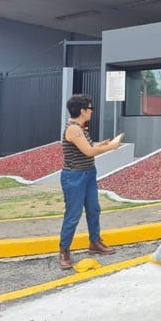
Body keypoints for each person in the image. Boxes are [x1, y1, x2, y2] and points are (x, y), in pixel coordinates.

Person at [59, 94, 122, 270]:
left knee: (94, 208)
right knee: (73, 215)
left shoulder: (80, 128)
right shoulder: (73, 129)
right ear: (82, 110)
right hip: (74, 177)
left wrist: (101, 144)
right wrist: (112, 147)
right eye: (90, 108)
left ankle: (94, 242)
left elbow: (87, 146)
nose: (92, 111)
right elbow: (88, 151)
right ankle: (64, 251)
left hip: (87, 174)